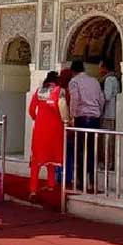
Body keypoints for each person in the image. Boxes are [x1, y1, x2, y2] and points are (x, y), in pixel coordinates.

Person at [28, 71, 70, 200]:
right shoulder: (60, 91)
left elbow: (31, 110)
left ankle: (33, 190)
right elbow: (62, 107)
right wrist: (67, 121)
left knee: (37, 159)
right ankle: (51, 184)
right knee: (52, 156)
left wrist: (38, 118)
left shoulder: (39, 91)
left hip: (40, 128)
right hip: (55, 128)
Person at [67, 59, 104, 191]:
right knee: (92, 151)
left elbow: (75, 99)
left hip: (82, 119)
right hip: (95, 119)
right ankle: (93, 182)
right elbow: (101, 99)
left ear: (73, 71)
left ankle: (81, 182)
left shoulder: (74, 82)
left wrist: (72, 116)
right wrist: (98, 112)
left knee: (80, 151)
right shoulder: (94, 81)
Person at [100, 61, 120, 169]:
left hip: (108, 113)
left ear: (105, 68)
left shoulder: (108, 80)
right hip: (114, 113)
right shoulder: (116, 79)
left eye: (101, 68)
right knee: (111, 140)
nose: (99, 71)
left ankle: (108, 163)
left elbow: (106, 96)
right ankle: (110, 162)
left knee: (107, 141)